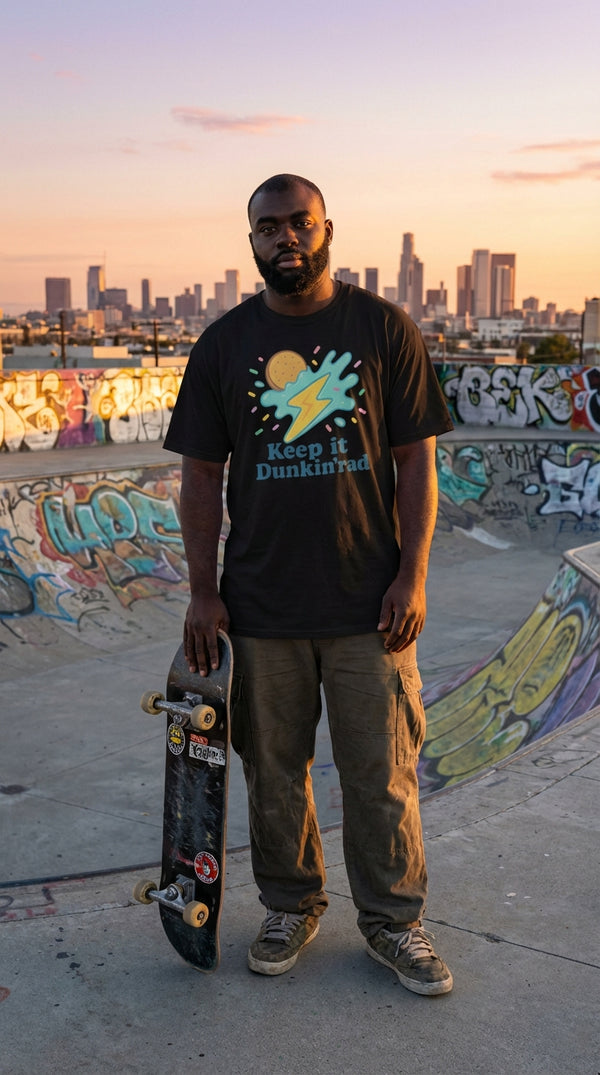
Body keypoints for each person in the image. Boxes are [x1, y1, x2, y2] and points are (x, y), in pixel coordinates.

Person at [164, 174, 454, 996]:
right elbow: (199, 475)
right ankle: (291, 904)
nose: (285, 237)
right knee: (274, 770)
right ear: (250, 239)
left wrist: (413, 574)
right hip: (261, 605)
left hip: (371, 606)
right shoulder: (222, 345)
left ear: (328, 229)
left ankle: (395, 922)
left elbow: (416, 461)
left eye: (300, 223)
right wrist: (202, 590)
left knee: (382, 771)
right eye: (268, 227)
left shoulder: (380, 328)